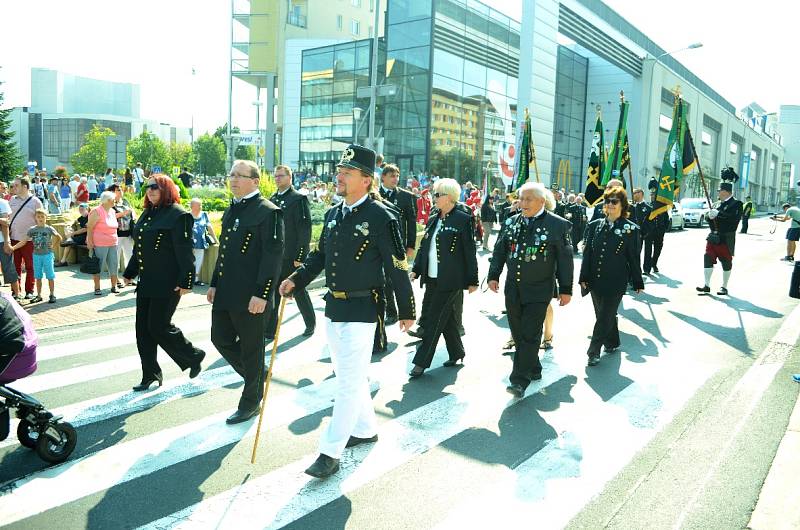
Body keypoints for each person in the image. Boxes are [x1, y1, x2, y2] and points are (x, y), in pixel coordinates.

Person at [280, 144, 415, 479]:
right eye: (339, 171)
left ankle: (330, 451)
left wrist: (406, 310)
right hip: (335, 307)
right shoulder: (334, 214)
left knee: (347, 383)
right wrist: (296, 279)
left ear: (367, 180)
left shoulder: (382, 218)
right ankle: (366, 428)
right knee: (348, 378)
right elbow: (319, 258)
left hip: (363, 309)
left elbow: (398, 267)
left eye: (347, 173)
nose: (338, 177)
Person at [207, 160, 284, 425]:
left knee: (252, 350)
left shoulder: (268, 212)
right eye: (231, 175)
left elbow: (272, 258)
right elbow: (224, 252)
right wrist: (215, 283)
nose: (233, 179)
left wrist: (262, 294)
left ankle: (251, 401)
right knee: (219, 337)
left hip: (252, 296)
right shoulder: (233, 209)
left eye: (239, 176)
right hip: (227, 291)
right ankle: (257, 376)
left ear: (255, 180)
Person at [487, 182, 573, 398]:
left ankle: (518, 380)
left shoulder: (558, 225)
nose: (523, 203)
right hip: (513, 288)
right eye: (521, 198)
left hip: (539, 289)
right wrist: (493, 275)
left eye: (528, 199)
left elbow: (565, 260)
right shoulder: (511, 222)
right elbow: (499, 251)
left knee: (530, 334)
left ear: (542, 201)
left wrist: (566, 288)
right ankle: (533, 368)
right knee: (518, 332)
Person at [121, 175, 205, 391]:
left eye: (155, 187)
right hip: (147, 281)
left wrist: (187, 280)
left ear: (166, 189)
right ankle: (150, 374)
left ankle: (193, 355)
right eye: (147, 187)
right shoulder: (148, 214)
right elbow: (140, 248)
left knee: (158, 326)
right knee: (143, 331)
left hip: (169, 282)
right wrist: (130, 272)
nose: (150, 191)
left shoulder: (178, 215)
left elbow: (185, 252)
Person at [408, 178, 478, 378]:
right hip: (431, 277)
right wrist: (417, 269)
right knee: (445, 318)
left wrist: (472, 279)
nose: (433, 198)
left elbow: (469, 251)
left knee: (433, 320)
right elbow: (425, 248)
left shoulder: (463, 219)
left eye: (437, 195)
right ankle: (457, 352)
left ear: (449, 197)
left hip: (451, 280)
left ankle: (420, 362)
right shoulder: (433, 217)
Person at [580, 186, 644, 366]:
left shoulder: (631, 229)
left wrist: (637, 281)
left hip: (616, 281)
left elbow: (634, 258)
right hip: (595, 279)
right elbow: (588, 255)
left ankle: (593, 351)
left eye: (614, 201)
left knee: (604, 316)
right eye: (607, 201)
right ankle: (612, 341)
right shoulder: (594, 226)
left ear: (622, 205)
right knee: (603, 314)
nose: (610, 205)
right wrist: (583, 277)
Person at [266, 165, 314, 340]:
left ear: (289, 177)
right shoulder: (272, 199)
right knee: (274, 292)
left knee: (298, 290)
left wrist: (301, 255)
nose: (277, 178)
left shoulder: (298, 199)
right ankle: (271, 329)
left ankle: (310, 323)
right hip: (277, 255)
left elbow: (304, 229)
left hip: (292, 255)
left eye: (281, 176)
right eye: (275, 176)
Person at [378, 164, 418, 325]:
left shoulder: (406, 197)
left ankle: (405, 312)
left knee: (398, 280)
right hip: (378, 245)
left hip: (397, 244)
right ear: (383, 177)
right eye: (392, 176)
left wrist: (411, 245)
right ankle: (391, 312)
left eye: (397, 176)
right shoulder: (375, 195)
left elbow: (412, 223)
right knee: (384, 279)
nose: (395, 179)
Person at [696, 168, 743, 296]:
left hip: (726, 238)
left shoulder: (737, 204)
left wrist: (719, 214)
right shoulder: (716, 204)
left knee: (726, 262)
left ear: (726, 192)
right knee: (707, 258)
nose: (718, 193)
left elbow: (733, 220)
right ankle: (706, 285)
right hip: (713, 237)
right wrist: (709, 216)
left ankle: (724, 286)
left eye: (720, 191)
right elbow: (709, 217)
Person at [10, 208, 60, 303]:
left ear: (46, 217)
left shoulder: (49, 228)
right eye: (38, 217)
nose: (40, 218)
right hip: (36, 255)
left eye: (42, 216)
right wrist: (13, 248)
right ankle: (39, 295)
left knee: (50, 275)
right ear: (35, 218)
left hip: (47, 255)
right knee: (38, 276)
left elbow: (59, 237)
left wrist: (53, 246)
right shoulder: (32, 230)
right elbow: (24, 241)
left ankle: (52, 294)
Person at [9, 178, 44, 299]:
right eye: (13, 186)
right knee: (14, 267)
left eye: (16, 185)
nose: (14, 188)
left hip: (30, 240)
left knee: (30, 266)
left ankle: (30, 291)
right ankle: (15, 291)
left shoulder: (35, 201)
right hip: (13, 239)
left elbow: (42, 220)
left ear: (25, 186)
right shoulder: (12, 200)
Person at [86, 191, 120, 296]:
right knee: (98, 266)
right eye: (114, 199)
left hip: (113, 242)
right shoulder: (96, 211)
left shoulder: (112, 211)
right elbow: (90, 227)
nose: (115, 201)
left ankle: (114, 286)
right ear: (108, 200)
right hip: (99, 243)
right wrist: (90, 241)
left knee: (114, 265)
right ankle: (97, 288)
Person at [108, 184, 134, 284]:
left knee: (130, 256)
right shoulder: (110, 202)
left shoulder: (125, 201)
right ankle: (116, 280)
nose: (121, 191)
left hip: (128, 233)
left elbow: (132, 212)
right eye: (118, 190)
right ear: (112, 192)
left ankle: (129, 278)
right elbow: (110, 216)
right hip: (116, 234)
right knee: (116, 257)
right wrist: (124, 213)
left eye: (121, 190)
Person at [189, 198, 216, 286]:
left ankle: (195, 279)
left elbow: (209, 227)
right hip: (189, 243)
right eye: (199, 205)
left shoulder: (204, 214)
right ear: (192, 206)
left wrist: (215, 239)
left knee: (199, 261)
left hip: (201, 242)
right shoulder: (187, 215)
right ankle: (188, 279)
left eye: (201, 205)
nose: (201, 207)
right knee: (190, 261)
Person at [0, 194, 20, 299]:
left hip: (2, 241)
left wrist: (7, 242)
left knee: (9, 269)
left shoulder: (2, 203)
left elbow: (5, 223)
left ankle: (17, 295)